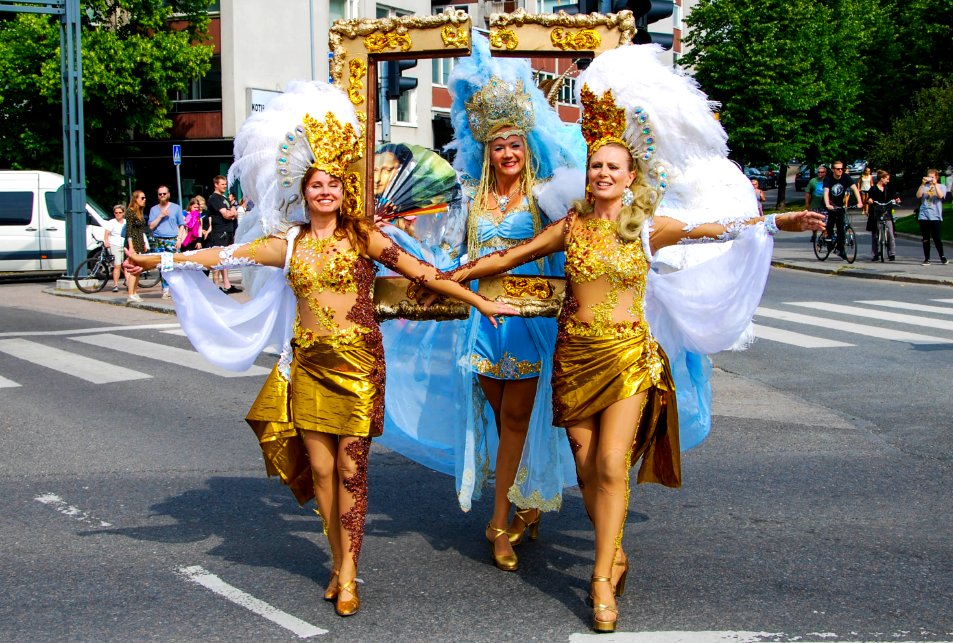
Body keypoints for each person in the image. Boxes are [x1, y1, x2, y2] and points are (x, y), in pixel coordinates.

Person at [441, 44, 825, 633]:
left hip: (625, 358)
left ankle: (599, 582)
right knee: (588, 465)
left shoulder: (645, 227)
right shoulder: (571, 225)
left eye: (613, 168)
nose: (602, 174)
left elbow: (710, 229)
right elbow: (514, 252)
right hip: (574, 357)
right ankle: (612, 550)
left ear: (630, 177)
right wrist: (455, 275)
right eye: (596, 165)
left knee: (614, 465)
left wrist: (778, 221)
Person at [124, 82, 517, 618]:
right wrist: (156, 263)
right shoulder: (287, 243)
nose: (326, 192)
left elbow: (422, 272)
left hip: (359, 364)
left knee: (354, 471)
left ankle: (350, 570)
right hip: (309, 365)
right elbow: (224, 252)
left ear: (344, 191)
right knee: (324, 472)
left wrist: (478, 301)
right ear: (303, 192)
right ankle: (338, 558)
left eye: (334, 183)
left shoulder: (364, 238)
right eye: (317, 185)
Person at [376, 33, 584, 573]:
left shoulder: (546, 196)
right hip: (480, 321)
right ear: (486, 150)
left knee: (516, 419)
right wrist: (407, 253)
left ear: (526, 146)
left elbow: (570, 249)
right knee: (496, 420)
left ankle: (499, 523)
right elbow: (449, 254)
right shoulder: (470, 197)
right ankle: (524, 502)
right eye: (499, 145)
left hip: (528, 321)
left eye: (515, 143)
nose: (508, 153)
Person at [147, 185, 185, 299]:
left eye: (164, 193)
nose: (162, 196)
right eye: (160, 194)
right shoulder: (154, 209)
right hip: (158, 240)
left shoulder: (176, 208)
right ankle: (165, 289)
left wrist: (179, 239)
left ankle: (176, 289)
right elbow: (151, 226)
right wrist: (161, 215)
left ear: (168, 194)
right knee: (163, 266)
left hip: (172, 239)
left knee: (174, 265)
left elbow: (181, 225)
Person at [206, 175, 241, 293]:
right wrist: (232, 213)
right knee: (220, 258)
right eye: (222, 184)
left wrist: (232, 213)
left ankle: (227, 284)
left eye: (226, 184)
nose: (225, 186)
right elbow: (227, 214)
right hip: (220, 232)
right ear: (216, 184)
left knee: (226, 258)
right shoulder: (214, 198)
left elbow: (234, 213)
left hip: (228, 230)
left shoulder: (224, 198)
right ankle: (218, 286)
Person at [823, 160, 863, 261]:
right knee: (831, 222)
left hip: (840, 205)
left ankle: (840, 249)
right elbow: (826, 192)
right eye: (837, 169)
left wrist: (860, 202)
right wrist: (827, 204)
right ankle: (828, 239)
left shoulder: (846, 177)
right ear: (833, 170)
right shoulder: (828, 178)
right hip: (830, 204)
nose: (840, 170)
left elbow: (855, 189)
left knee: (841, 228)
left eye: (842, 169)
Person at [916, 168, 948, 265]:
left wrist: (934, 185)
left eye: (932, 177)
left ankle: (942, 256)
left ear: (936, 177)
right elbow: (918, 196)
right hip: (923, 215)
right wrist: (922, 184)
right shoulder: (924, 186)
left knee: (936, 238)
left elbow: (940, 196)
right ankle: (927, 258)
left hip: (935, 216)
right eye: (928, 177)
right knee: (925, 238)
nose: (930, 179)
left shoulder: (942, 186)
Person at [866, 169, 900, 261]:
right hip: (876, 212)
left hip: (886, 211)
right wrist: (870, 201)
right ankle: (875, 253)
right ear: (881, 179)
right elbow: (869, 198)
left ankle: (891, 253)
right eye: (887, 179)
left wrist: (897, 199)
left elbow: (894, 195)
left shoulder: (888, 188)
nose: (888, 181)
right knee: (875, 234)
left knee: (890, 233)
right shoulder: (873, 189)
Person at [123, 190, 148, 303]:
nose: (144, 200)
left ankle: (135, 292)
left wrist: (144, 243)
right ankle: (130, 294)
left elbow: (141, 230)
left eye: (144, 198)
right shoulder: (130, 212)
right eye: (142, 198)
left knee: (138, 269)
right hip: (132, 243)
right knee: (134, 269)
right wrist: (130, 246)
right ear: (135, 199)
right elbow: (129, 230)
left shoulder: (140, 212)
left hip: (139, 242)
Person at [103, 204, 127, 292]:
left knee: (127, 265)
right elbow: (107, 233)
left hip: (124, 245)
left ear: (123, 213)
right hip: (115, 244)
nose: (118, 214)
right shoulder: (111, 222)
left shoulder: (126, 222)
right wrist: (106, 241)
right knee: (117, 265)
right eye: (116, 212)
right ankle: (115, 284)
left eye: (120, 212)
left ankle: (128, 282)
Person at [805, 165, 828, 241]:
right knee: (814, 222)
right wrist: (807, 204)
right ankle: (814, 234)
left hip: (825, 205)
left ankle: (824, 234)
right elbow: (808, 193)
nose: (820, 173)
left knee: (825, 221)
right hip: (814, 204)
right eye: (819, 172)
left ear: (825, 173)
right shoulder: (813, 181)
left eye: (822, 172)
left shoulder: (828, 180)